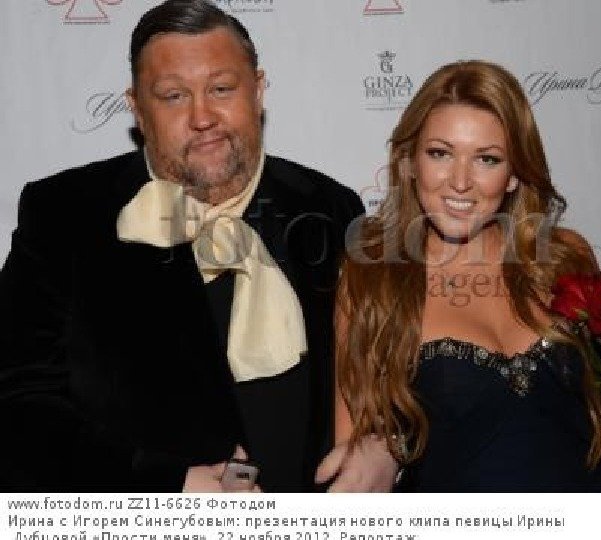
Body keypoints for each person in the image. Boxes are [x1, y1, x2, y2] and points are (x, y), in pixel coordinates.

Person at [0, 0, 366, 492]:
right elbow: (18, 404)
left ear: (258, 90)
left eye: (221, 89)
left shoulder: (331, 208)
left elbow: (382, 371)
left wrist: (382, 445)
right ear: (137, 109)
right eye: (173, 96)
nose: (202, 117)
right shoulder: (65, 215)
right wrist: (167, 487)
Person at [324, 60, 601, 492]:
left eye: (487, 159)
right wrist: (378, 448)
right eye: (440, 153)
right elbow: (356, 462)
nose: (460, 181)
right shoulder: (373, 281)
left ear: (514, 174)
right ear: (410, 162)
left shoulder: (563, 259)